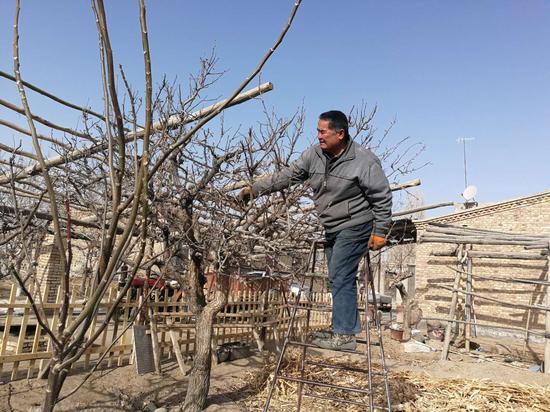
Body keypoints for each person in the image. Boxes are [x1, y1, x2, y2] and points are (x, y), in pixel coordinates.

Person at [239, 110, 392, 350]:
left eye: (323, 132)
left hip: (356, 223)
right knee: (337, 278)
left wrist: (381, 230)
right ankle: (341, 329)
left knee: (340, 275)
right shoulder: (314, 155)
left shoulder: (364, 161)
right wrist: (256, 189)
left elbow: (382, 197)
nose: (319, 136)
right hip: (332, 225)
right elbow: (287, 176)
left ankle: (344, 336)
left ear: (340, 134)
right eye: (318, 131)